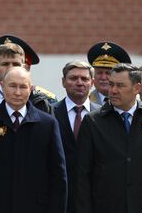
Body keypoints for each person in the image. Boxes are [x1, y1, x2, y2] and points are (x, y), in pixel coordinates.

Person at [0, 67, 67, 213]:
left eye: (23, 87)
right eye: (12, 86)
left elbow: (58, 175)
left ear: (31, 89)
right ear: (2, 86)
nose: (18, 92)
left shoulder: (47, 124)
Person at [76, 63, 142, 213]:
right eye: (111, 84)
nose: (113, 90)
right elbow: (82, 174)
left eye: (120, 85)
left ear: (137, 88)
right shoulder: (93, 122)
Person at [53, 60, 100, 213]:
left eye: (84, 79)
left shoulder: (104, 115)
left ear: (92, 82)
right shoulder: (49, 113)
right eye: (73, 78)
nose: (79, 83)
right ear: (63, 82)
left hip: (94, 196)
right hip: (59, 196)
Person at [0, 34, 57, 102]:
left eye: (16, 64)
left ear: (25, 67)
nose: (10, 68)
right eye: (5, 64)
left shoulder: (45, 100)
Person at [87, 41, 132, 105]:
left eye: (108, 73)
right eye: (99, 73)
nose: (103, 77)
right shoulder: (84, 102)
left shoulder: (132, 102)